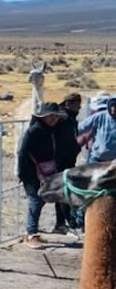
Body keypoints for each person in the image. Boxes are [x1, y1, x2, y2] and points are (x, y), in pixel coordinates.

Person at [17, 102, 67, 247]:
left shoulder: (51, 131)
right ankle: (31, 234)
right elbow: (22, 152)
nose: (53, 119)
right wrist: (21, 172)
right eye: (50, 116)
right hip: (31, 172)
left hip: (47, 171)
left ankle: (31, 232)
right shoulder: (34, 131)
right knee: (35, 200)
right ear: (43, 117)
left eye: (56, 116)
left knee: (41, 200)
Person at [53, 93, 84, 233]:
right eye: (77, 104)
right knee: (62, 193)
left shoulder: (70, 118)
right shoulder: (62, 119)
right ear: (68, 103)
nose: (79, 107)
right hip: (60, 160)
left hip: (68, 160)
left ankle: (61, 223)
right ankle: (65, 222)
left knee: (64, 192)